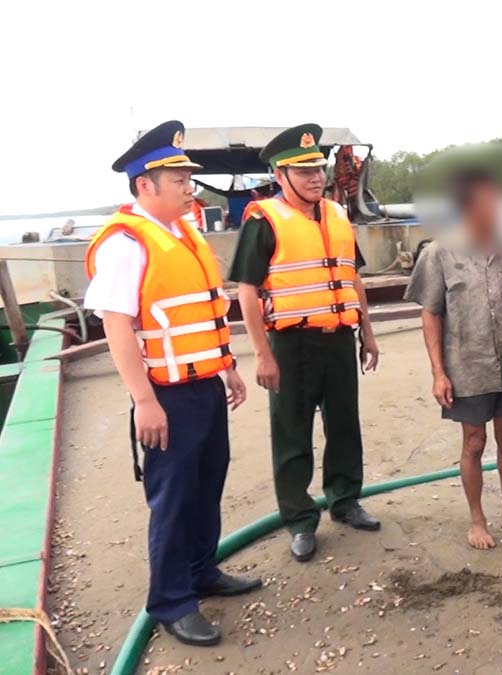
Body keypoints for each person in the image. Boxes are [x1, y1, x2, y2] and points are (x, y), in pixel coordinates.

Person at [83, 120, 261, 647]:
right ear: (145, 185)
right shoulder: (126, 244)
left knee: (208, 484)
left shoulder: (183, 232)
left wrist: (224, 364)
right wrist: (144, 401)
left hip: (204, 383)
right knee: (174, 498)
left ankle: (203, 571)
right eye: (179, 178)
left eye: (189, 178)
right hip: (167, 396)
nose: (190, 186)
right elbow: (116, 325)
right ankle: (171, 601)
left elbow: (197, 314)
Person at [228, 124, 381, 563]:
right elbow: (247, 291)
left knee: (344, 426)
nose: (316, 177)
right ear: (281, 175)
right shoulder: (264, 219)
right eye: (304, 170)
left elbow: (352, 275)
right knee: (292, 434)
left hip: (338, 340)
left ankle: (345, 499)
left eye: (319, 167)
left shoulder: (336, 214)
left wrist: (367, 333)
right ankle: (299, 520)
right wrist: (261, 354)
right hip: (290, 344)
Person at [406, 162, 502, 550]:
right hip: (465, 365)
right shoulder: (439, 252)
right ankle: (476, 519)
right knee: (473, 442)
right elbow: (430, 313)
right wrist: (438, 372)